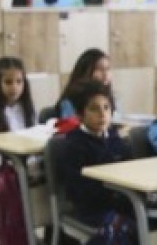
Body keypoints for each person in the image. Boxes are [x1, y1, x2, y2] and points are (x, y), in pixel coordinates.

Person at [55, 81, 133, 226]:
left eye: (106, 108)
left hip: (121, 202)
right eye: (94, 109)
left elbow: (131, 170)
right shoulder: (74, 145)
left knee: (152, 219)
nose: (102, 114)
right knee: (129, 226)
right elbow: (77, 190)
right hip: (92, 210)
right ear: (80, 114)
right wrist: (116, 193)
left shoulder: (116, 140)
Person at [0, 56, 39, 181]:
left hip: (25, 161)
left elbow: (35, 136)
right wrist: (4, 163)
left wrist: (33, 160)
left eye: (19, 81)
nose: (14, 87)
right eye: (8, 82)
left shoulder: (28, 106)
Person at [55, 48, 113, 120]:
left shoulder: (112, 98)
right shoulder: (69, 101)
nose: (105, 74)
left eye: (108, 69)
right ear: (85, 71)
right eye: (99, 69)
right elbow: (69, 126)